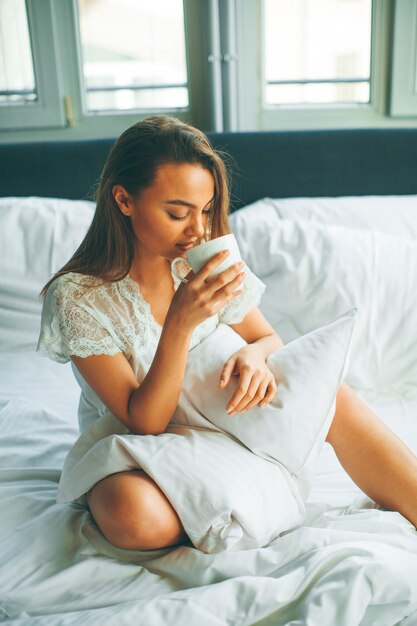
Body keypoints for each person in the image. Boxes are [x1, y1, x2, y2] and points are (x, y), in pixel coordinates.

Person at [37, 115, 417, 552]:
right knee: (134, 517)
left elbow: (267, 337)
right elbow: (144, 421)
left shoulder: (201, 258)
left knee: (332, 394)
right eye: (177, 213)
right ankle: (235, 489)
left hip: (223, 415)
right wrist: (179, 323)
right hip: (142, 438)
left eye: (204, 210)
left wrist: (256, 356)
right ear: (124, 200)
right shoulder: (78, 298)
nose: (197, 230)